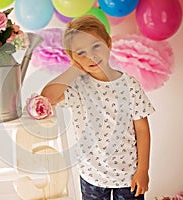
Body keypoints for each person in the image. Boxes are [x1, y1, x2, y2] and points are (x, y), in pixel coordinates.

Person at [41, 15, 155, 200]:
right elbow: (47, 97)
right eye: (81, 53)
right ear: (73, 57)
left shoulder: (130, 85)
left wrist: (143, 169)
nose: (91, 56)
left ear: (108, 43)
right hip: (92, 175)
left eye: (96, 46)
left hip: (128, 175)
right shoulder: (76, 87)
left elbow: (142, 129)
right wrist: (75, 69)